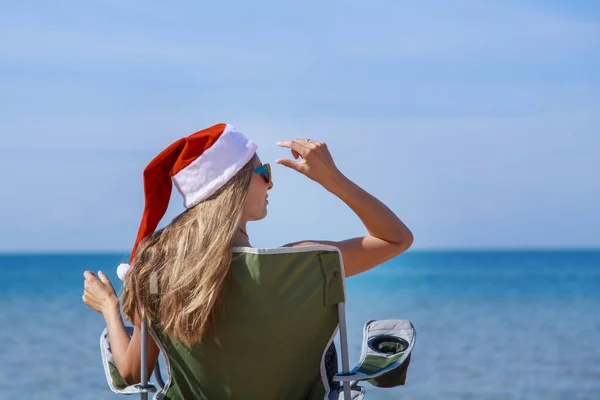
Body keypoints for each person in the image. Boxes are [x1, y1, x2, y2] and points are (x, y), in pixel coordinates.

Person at [82, 123, 413, 390]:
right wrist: (333, 179)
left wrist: (110, 307)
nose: (270, 184)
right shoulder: (305, 263)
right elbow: (396, 238)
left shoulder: (159, 271)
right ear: (234, 186)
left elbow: (131, 373)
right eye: (264, 173)